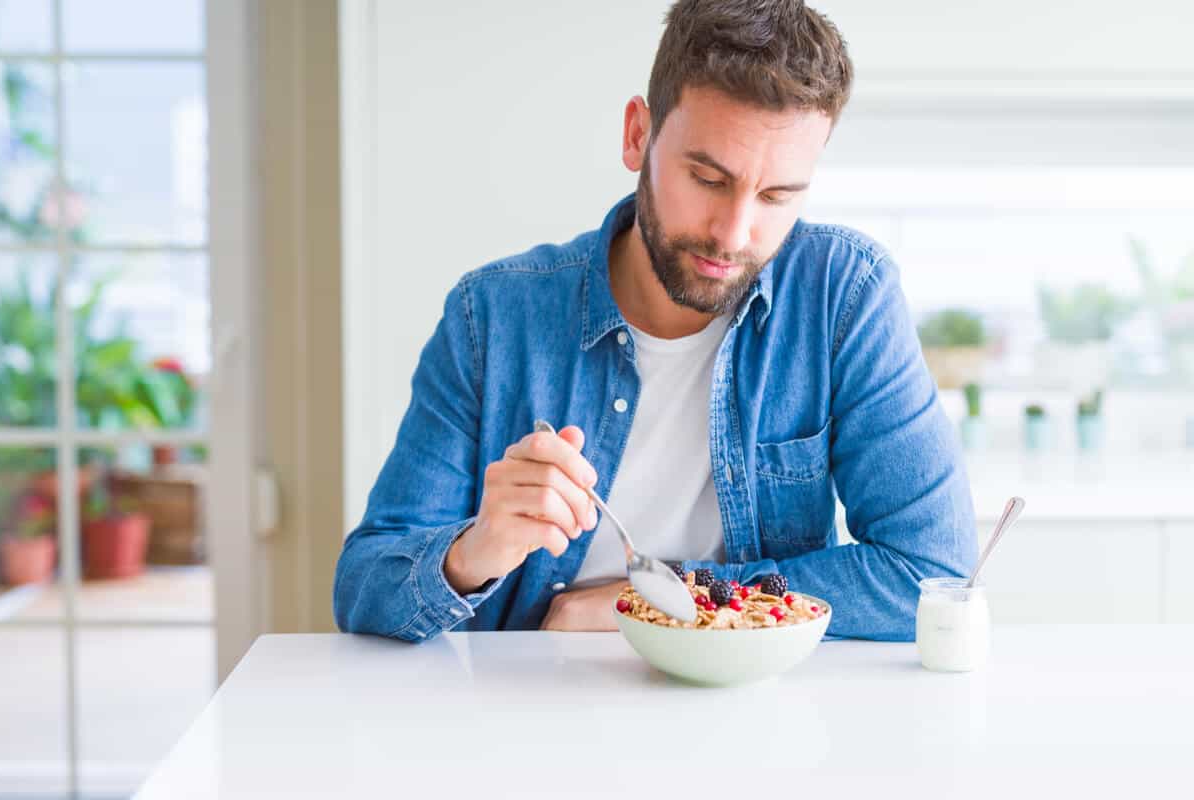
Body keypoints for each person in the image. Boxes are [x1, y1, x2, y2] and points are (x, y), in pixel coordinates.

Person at [334, 0, 976, 642]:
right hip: (528, 716)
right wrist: (473, 552)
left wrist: (665, 601)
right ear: (637, 135)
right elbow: (364, 590)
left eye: (777, 195)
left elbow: (930, 572)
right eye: (707, 178)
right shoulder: (493, 315)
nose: (734, 234)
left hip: (755, 711)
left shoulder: (843, 294)